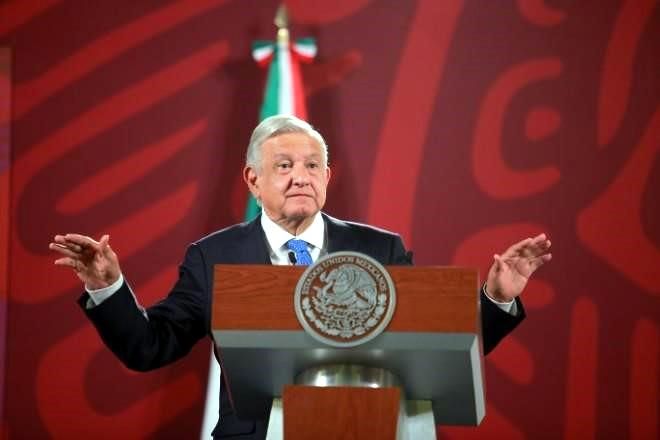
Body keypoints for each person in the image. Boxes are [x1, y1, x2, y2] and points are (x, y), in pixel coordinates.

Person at [50, 115, 552, 439]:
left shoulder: (380, 249)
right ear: (253, 180)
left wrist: (495, 299)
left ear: (327, 178)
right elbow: (149, 347)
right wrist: (106, 286)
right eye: (284, 165)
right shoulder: (213, 256)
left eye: (313, 165)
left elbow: (431, 344)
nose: (300, 176)